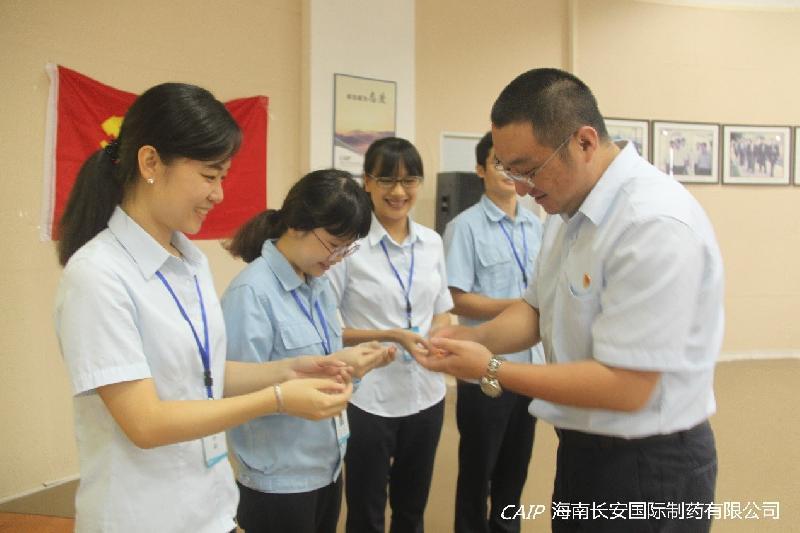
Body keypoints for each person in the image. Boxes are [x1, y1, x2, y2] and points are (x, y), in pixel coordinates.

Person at [416, 68, 722, 533]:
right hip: (582, 447)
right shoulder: (567, 209)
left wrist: (491, 368)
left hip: (650, 464)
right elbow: (536, 309)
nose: (520, 187)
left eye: (528, 169)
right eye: (508, 170)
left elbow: (627, 385)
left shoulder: (652, 223)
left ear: (584, 142)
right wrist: (468, 339)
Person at [54, 83, 353, 533]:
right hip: (142, 518)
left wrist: (289, 370)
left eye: (223, 177)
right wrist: (276, 399)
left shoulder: (190, 262)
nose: (219, 194)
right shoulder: (97, 274)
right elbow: (145, 422)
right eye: (210, 176)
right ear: (150, 163)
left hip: (209, 508)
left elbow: (201, 375)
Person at [221, 169, 394, 533]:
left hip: (326, 467)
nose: (338, 258)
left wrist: (351, 368)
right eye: (333, 245)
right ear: (298, 224)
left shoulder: (318, 285)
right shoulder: (252, 293)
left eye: (348, 248)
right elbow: (233, 391)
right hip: (277, 480)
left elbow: (322, 366)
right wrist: (307, 382)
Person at [327, 137, 454, 533]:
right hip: (369, 399)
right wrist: (393, 336)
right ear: (367, 182)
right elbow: (329, 329)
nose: (398, 192)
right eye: (387, 180)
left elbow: (443, 310)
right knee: (366, 513)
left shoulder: (432, 242)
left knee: (411, 511)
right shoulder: (349, 246)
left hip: (425, 394)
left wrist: (437, 337)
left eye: (409, 180)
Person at [443, 131, 544, 533]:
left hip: (529, 368)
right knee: (476, 474)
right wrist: (520, 307)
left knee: (514, 474)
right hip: (484, 368)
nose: (506, 171)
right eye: (496, 162)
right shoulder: (464, 227)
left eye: (512, 163)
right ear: (480, 170)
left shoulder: (537, 225)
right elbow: (456, 299)